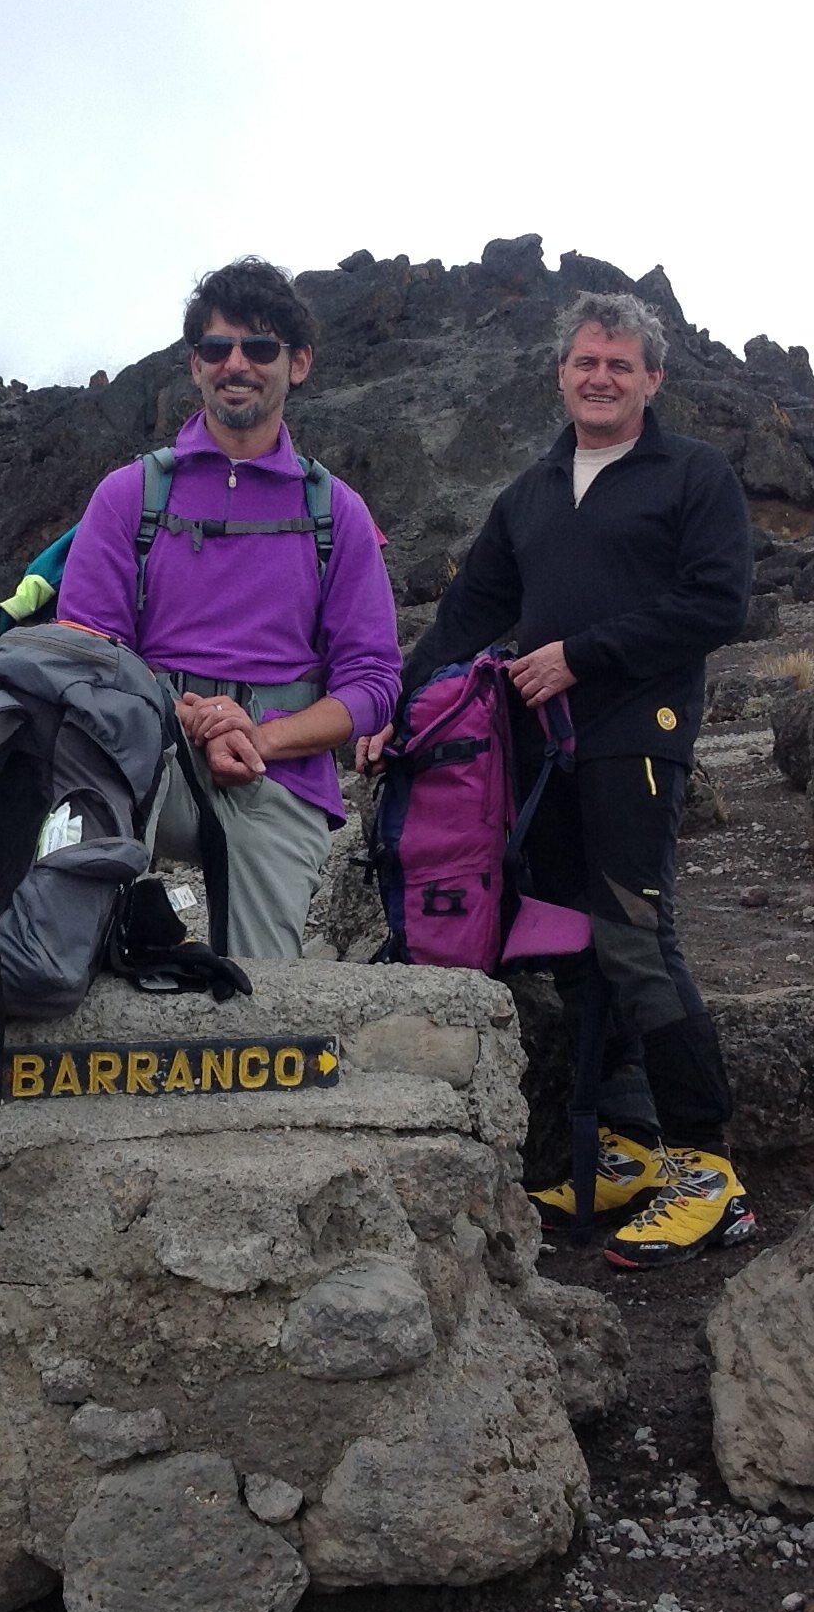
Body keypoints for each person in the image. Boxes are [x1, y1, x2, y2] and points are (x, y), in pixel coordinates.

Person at [362, 291, 756, 1269]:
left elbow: (717, 602)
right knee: (573, 941)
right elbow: (467, 615)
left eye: (622, 365)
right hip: (536, 755)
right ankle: (622, 1138)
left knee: (632, 934)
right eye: (587, 361)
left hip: (635, 739)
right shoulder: (532, 494)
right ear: (562, 373)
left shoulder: (694, 476)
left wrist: (582, 653)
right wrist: (395, 714)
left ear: (653, 379)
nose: (602, 377)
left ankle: (707, 1172)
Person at [52, 256, 402, 958]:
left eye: (259, 347)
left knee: (260, 1004)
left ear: (297, 364)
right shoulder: (128, 496)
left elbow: (373, 683)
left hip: (277, 774)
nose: (235, 363)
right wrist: (190, 722)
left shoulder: (338, 513)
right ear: (195, 366)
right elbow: (84, 652)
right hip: (144, 753)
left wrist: (260, 738)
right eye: (217, 348)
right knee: (67, 949)